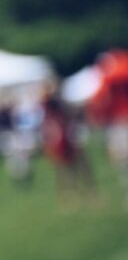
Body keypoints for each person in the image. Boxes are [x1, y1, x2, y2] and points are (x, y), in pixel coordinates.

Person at [88, 50, 128, 208]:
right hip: (118, 124)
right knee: (122, 160)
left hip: (120, 124)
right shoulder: (111, 79)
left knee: (122, 160)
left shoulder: (109, 79)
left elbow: (98, 105)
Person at [41, 93, 95, 204]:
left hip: (66, 144)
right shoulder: (55, 117)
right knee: (70, 169)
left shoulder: (55, 118)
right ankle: (73, 193)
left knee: (72, 169)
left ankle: (76, 193)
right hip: (63, 145)